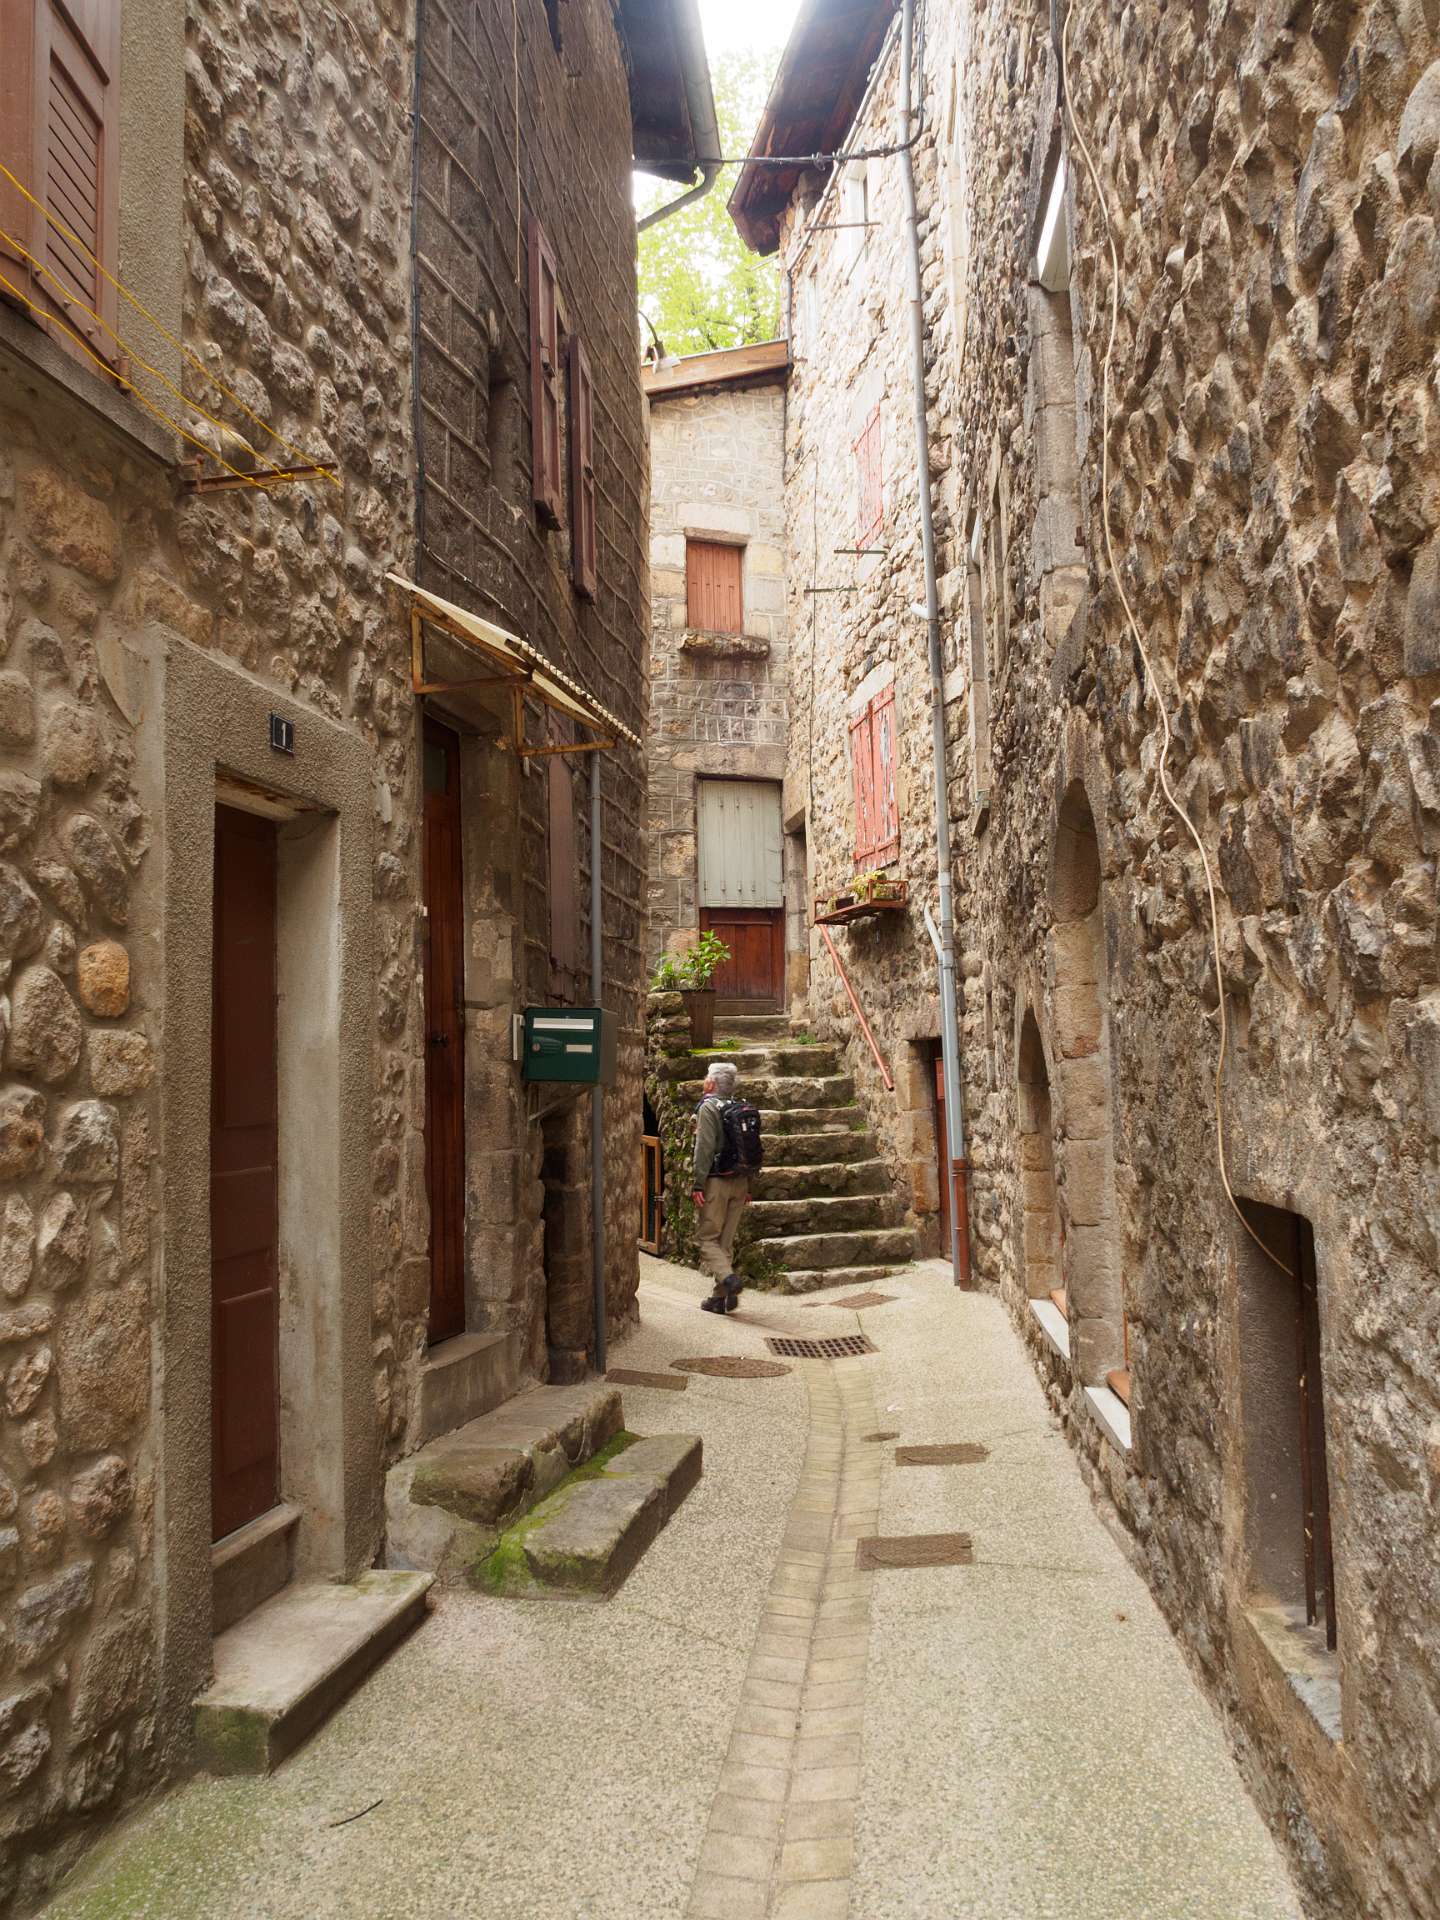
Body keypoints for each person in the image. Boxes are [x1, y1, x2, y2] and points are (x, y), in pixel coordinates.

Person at [692, 1060, 751, 1314]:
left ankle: (729, 1279)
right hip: (741, 1181)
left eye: (707, 1076)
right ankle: (720, 1298)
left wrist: (698, 1183)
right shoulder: (739, 1106)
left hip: (717, 1181)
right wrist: (749, 1185)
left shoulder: (709, 1108)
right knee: (725, 1243)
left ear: (711, 1083)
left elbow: (704, 1148)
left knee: (706, 1239)